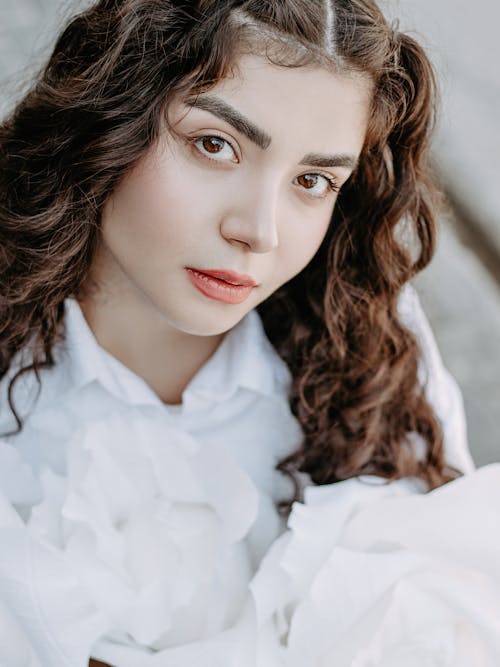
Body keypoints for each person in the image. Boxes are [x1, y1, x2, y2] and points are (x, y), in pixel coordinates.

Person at [0, 0, 483, 665]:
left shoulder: (369, 349)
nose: (260, 229)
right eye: (214, 145)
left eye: (312, 180)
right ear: (108, 117)